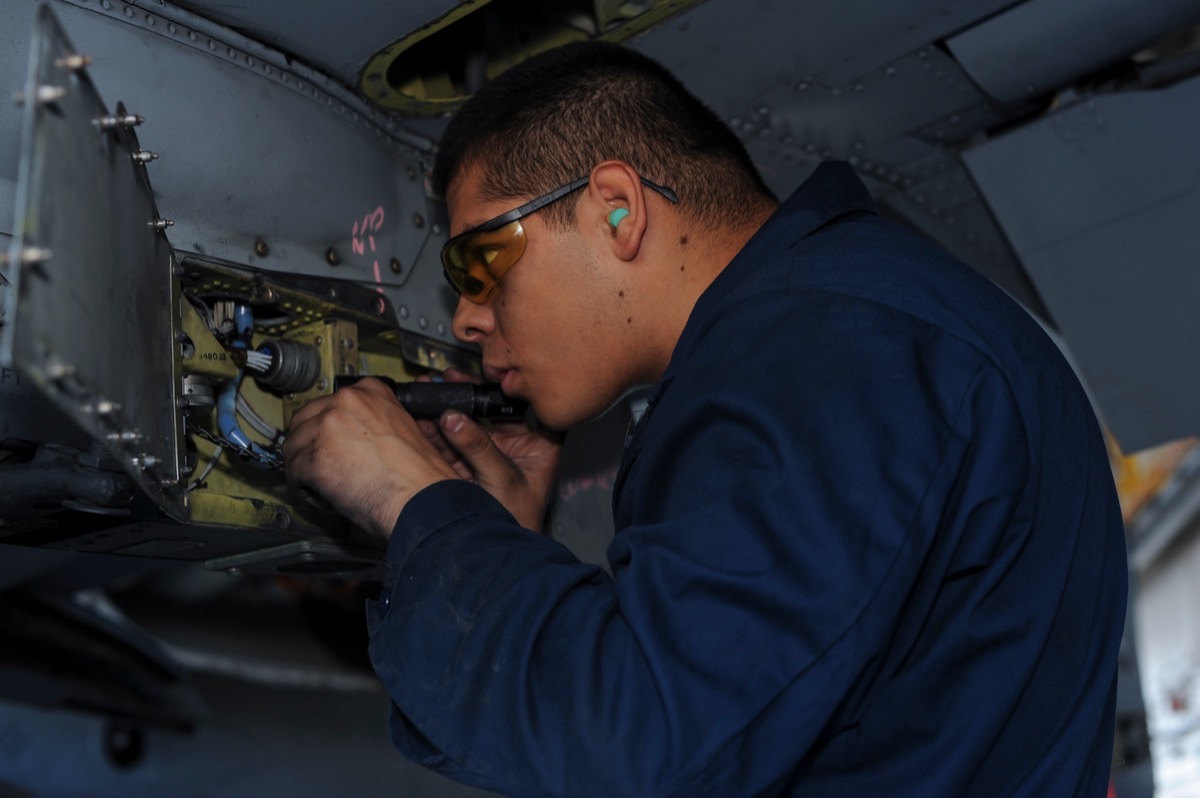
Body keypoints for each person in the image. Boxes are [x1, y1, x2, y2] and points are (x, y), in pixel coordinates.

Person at [284, 40, 1127, 796]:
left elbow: (649, 748)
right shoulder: (855, 325)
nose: (467, 319)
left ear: (616, 208)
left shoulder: (831, 352)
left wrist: (417, 503)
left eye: (479, 259)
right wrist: (503, 552)